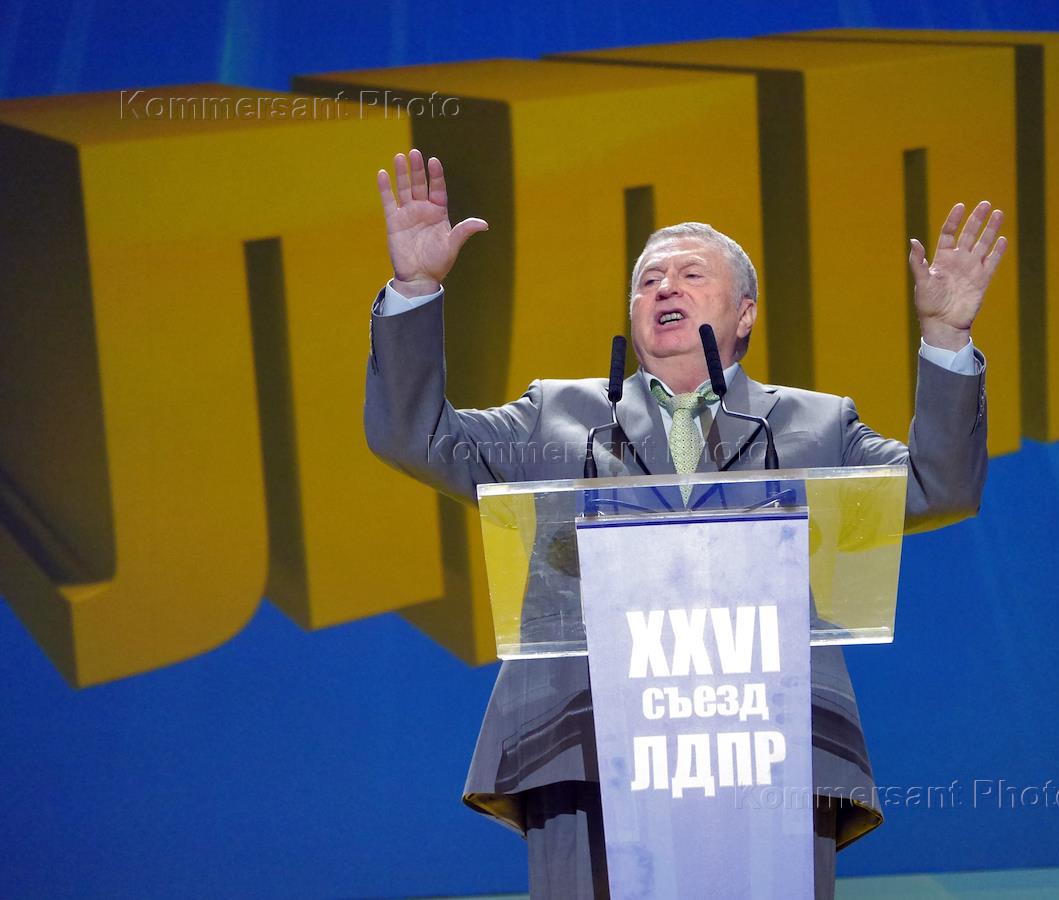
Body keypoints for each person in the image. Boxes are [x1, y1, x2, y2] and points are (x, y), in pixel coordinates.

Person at [364, 149, 1005, 899]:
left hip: (769, 745)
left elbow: (940, 486)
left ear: (745, 312)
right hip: (585, 744)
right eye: (648, 280)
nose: (664, 286)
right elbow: (415, 436)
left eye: (691, 274)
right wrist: (415, 290)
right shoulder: (555, 416)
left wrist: (947, 337)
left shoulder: (817, 425)